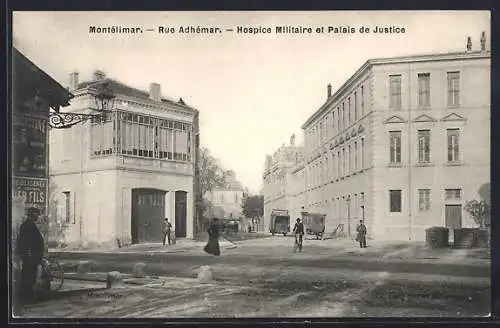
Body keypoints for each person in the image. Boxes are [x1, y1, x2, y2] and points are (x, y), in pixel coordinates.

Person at [15, 207, 45, 304]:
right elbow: (26, 242)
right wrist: (29, 254)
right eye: (36, 215)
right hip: (30, 256)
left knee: (29, 276)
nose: (38, 217)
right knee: (28, 276)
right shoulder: (28, 226)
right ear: (32, 215)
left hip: (31, 256)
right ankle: (26, 297)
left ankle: (27, 296)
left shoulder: (29, 225)